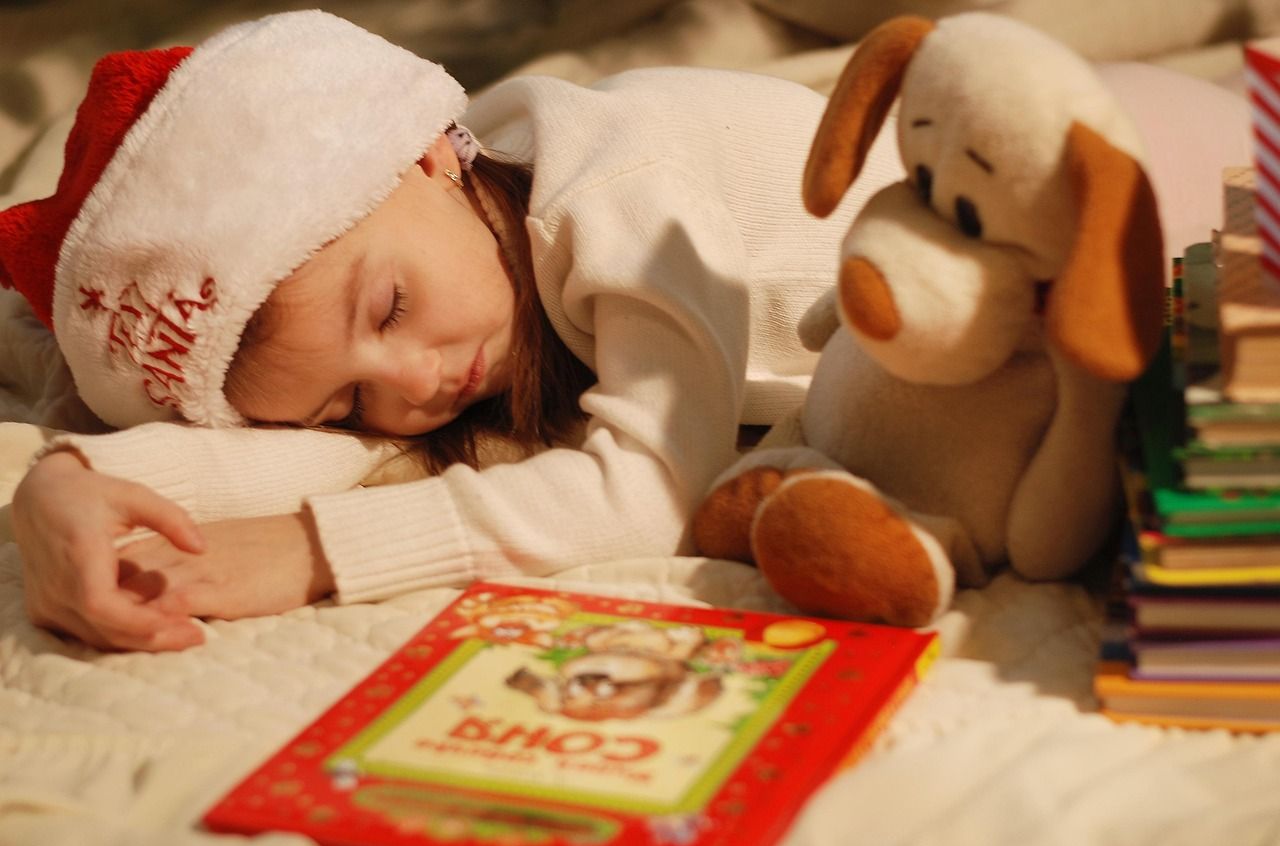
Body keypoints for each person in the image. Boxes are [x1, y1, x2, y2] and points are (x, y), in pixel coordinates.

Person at [0, 11, 1251, 652]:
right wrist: (71, 481)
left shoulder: (614, 185)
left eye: (384, 313)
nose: (413, 388)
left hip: (1146, 169)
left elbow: (651, 485)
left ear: (429, 154)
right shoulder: (433, 274)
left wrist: (310, 556)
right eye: (347, 400)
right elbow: (310, 445)